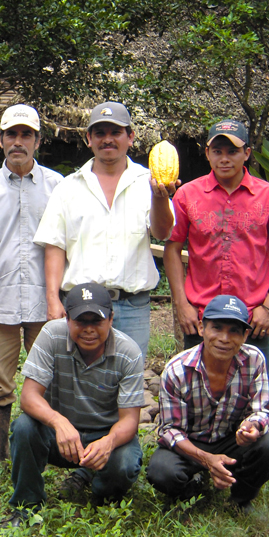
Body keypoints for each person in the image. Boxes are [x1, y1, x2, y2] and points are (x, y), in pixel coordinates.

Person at [34, 101, 176, 358]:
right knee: (81, 381)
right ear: (89, 139)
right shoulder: (68, 188)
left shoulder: (148, 183)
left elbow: (163, 233)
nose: (107, 140)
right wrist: (53, 299)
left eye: (116, 132)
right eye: (100, 133)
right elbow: (55, 246)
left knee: (127, 382)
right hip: (81, 306)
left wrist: (160, 198)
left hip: (132, 305)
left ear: (130, 137)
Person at [164, 119, 269, 371]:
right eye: (217, 151)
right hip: (201, 315)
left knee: (252, 392)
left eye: (233, 151)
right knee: (196, 389)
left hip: (253, 316)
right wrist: (181, 304)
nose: (225, 159)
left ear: (247, 153)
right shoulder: (187, 195)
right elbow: (172, 248)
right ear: (207, 153)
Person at [0, 104, 63, 477]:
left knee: (51, 379)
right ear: (1, 140)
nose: (18, 142)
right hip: (0, 301)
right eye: (12, 135)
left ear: (38, 140)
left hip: (47, 302)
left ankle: (52, 453)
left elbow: (64, 245)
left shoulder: (59, 187)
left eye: (26, 135)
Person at [5, 283, 144, 525]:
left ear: (111, 319)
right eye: (81, 321)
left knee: (125, 463)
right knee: (24, 428)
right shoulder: (51, 335)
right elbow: (29, 396)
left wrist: (108, 442)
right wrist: (58, 422)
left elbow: (130, 421)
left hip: (103, 434)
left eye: (97, 321)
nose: (89, 330)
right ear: (67, 319)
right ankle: (26, 505)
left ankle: (99, 494)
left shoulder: (128, 353)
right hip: (58, 435)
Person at [146, 295, 269, 514]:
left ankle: (241, 500)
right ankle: (191, 492)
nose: (224, 338)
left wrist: (252, 428)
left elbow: (261, 410)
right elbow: (170, 430)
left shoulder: (254, 359)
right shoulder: (177, 370)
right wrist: (206, 459)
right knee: (161, 471)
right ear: (202, 328)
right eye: (216, 328)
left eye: (234, 331)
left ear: (245, 335)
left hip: (230, 440)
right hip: (189, 444)